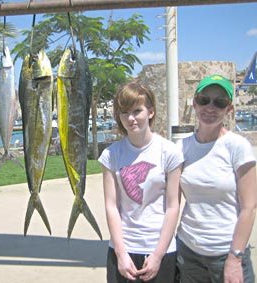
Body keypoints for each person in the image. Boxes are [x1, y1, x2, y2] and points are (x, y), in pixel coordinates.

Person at [98, 80, 184, 283]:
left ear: (151, 112)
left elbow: (173, 206)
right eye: (124, 112)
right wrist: (121, 254)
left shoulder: (169, 152)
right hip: (124, 250)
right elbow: (112, 206)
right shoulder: (111, 154)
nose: (131, 118)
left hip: (160, 250)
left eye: (137, 111)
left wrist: (158, 255)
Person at [176, 74, 257, 283]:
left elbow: (249, 207)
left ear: (228, 109)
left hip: (227, 252)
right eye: (204, 100)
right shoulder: (181, 148)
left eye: (219, 102)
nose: (210, 107)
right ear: (195, 103)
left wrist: (235, 258)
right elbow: (169, 202)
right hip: (189, 251)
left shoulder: (238, 147)